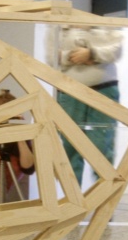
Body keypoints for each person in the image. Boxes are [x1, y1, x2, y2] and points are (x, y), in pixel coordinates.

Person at [48, 25, 123, 184]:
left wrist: (92, 53)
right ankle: (73, 203)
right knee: (70, 146)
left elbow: (117, 50)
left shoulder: (105, 24)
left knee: (102, 146)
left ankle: (103, 202)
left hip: (104, 90)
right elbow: (51, 57)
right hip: (70, 91)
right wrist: (77, 56)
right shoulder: (60, 26)